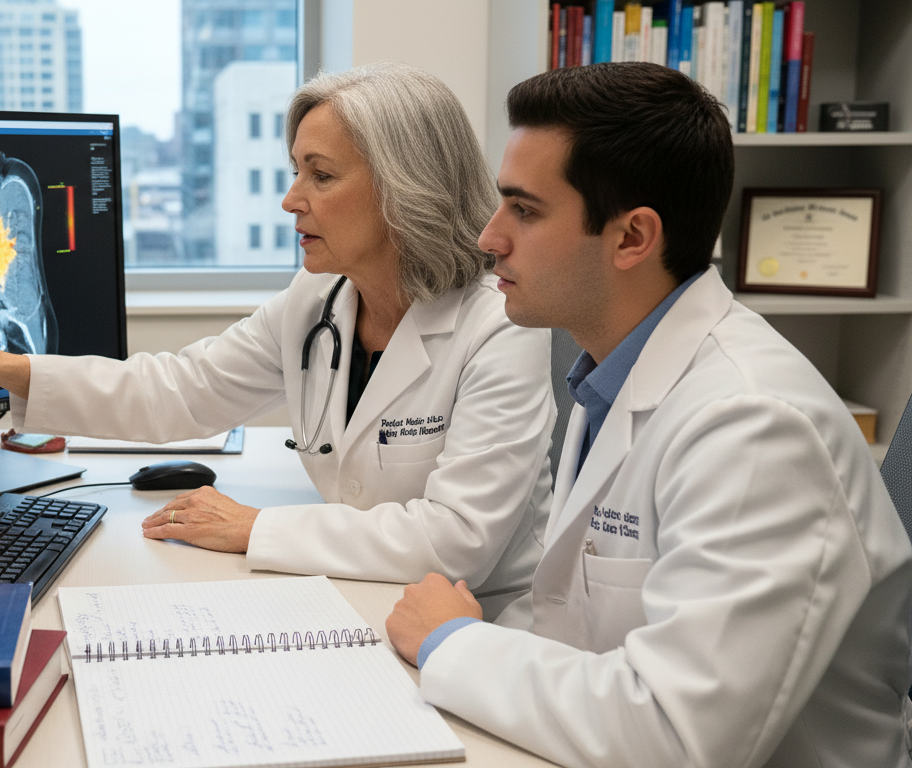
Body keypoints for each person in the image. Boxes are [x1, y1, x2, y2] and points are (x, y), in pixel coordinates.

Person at [0, 62, 556, 619]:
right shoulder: (316, 301)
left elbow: (455, 541)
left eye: (320, 175)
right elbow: (179, 390)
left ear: (406, 188)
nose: (291, 199)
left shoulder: (501, 325)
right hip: (356, 600)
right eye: (295, 171)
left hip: (475, 630)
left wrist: (255, 527)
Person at [385, 61, 912, 767]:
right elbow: (576, 621)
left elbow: (676, 734)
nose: (489, 237)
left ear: (633, 238)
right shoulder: (608, 376)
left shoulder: (754, 426)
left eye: (525, 210)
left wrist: (453, 643)